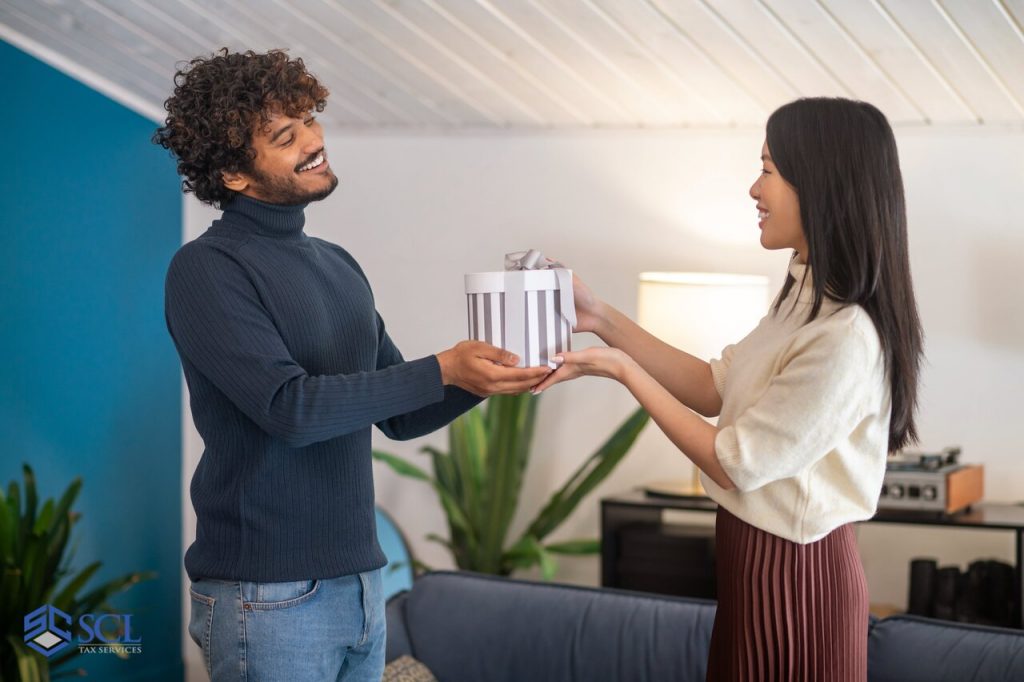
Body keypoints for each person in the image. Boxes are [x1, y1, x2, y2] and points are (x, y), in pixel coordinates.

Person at [153, 48, 551, 682]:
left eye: (309, 119)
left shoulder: (337, 263)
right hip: (268, 592)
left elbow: (401, 414)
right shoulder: (206, 270)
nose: (314, 141)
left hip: (363, 581)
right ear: (232, 174)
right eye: (286, 136)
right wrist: (444, 367)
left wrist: (487, 374)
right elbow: (289, 409)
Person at [533, 97, 924, 681]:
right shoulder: (803, 297)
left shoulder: (847, 334)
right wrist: (601, 317)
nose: (753, 190)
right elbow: (716, 387)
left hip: (797, 578)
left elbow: (736, 462)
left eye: (767, 169)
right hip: (755, 564)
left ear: (820, 182)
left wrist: (619, 368)